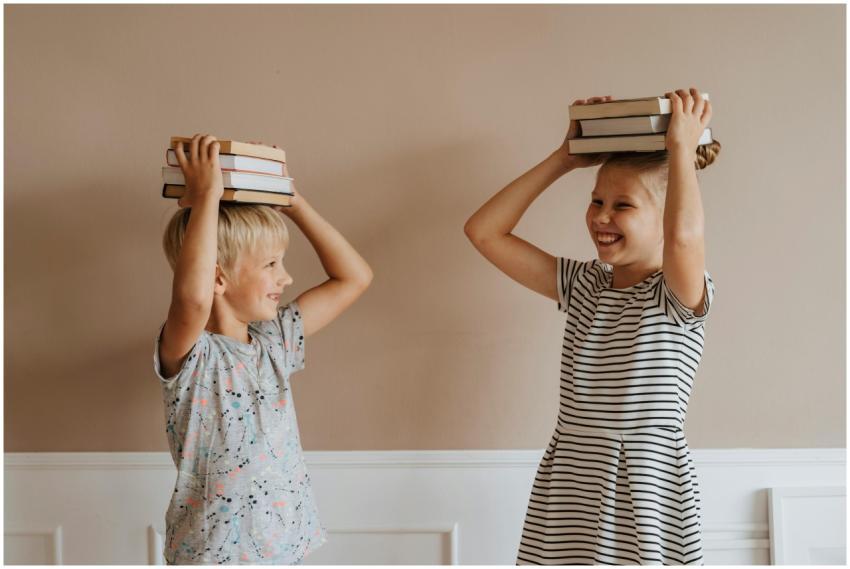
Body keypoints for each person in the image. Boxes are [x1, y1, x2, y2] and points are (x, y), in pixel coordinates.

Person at [464, 88, 720, 565]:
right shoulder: (584, 284)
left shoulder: (677, 296)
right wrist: (565, 158)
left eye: (623, 206)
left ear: (666, 217)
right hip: (571, 484)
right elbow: (484, 231)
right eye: (596, 200)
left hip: (645, 489)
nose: (601, 216)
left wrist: (681, 149)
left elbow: (685, 239)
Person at [154, 133, 373, 564]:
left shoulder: (275, 342)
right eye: (271, 265)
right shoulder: (193, 354)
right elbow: (194, 300)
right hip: (212, 551)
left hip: (285, 545)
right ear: (218, 278)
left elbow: (355, 277)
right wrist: (206, 199)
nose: (286, 278)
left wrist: (292, 203)